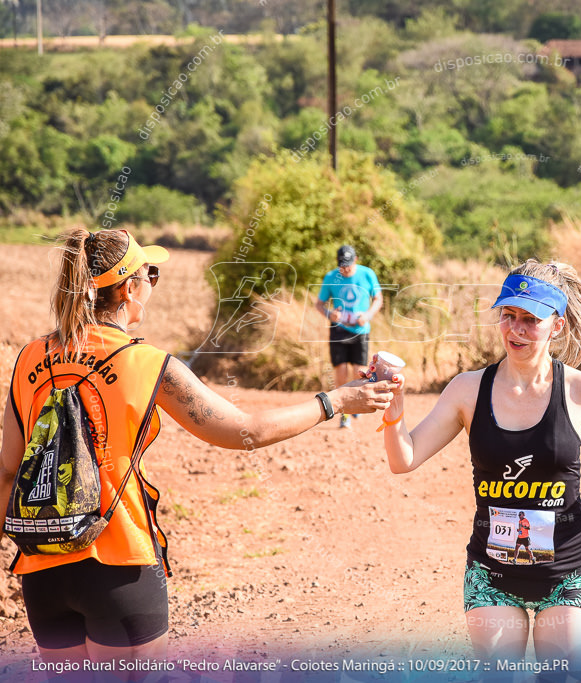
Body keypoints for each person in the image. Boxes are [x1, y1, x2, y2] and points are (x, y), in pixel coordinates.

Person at [0, 228, 397, 671]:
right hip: (120, 564)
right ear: (129, 288)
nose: (152, 283)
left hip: (40, 567)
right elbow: (243, 431)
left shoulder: (29, 357)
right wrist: (335, 401)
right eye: (150, 274)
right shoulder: (147, 362)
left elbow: (7, 473)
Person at [380, 259, 581, 669]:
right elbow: (404, 459)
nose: (516, 329)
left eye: (530, 319)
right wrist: (393, 412)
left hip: (567, 574)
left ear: (557, 325)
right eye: (508, 316)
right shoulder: (467, 390)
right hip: (493, 575)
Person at [315, 245, 382, 428]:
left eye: (349, 265)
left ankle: (356, 406)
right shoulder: (330, 278)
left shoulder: (367, 274)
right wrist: (330, 315)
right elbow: (319, 304)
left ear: (356, 260)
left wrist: (367, 316)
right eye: (342, 265)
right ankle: (343, 413)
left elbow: (378, 299)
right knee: (341, 372)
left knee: (358, 371)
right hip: (338, 330)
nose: (345, 269)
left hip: (361, 330)